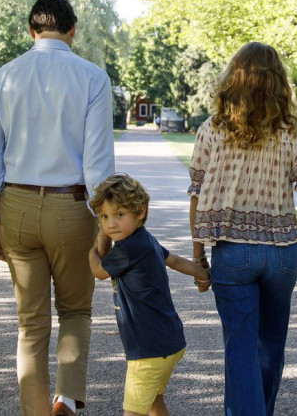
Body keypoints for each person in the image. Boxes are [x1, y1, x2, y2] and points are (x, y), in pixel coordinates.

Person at [0, 0, 115, 416]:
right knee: (75, 310)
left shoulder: (2, 78)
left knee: (30, 325)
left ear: (31, 31)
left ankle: (34, 411)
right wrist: (105, 225)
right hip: (72, 206)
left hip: (16, 204)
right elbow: (98, 165)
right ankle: (68, 401)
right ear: (73, 31)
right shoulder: (92, 78)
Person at [187, 42, 297, 416]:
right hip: (281, 253)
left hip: (232, 253)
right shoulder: (293, 130)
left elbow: (196, 195)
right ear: (278, 83)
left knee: (240, 348)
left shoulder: (212, 130)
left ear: (231, 80)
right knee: (271, 345)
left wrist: (198, 257)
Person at [87, 174, 210, 416]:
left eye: (119, 215)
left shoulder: (128, 248)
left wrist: (92, 249)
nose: (110, 224)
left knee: (133, 411)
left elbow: (98, 272)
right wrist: (200, 272)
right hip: (169, 342)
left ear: (140, 211)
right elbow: (172, 259)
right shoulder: (145, 239)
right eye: (104, 217)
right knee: (154, 401)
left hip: (148, 351)